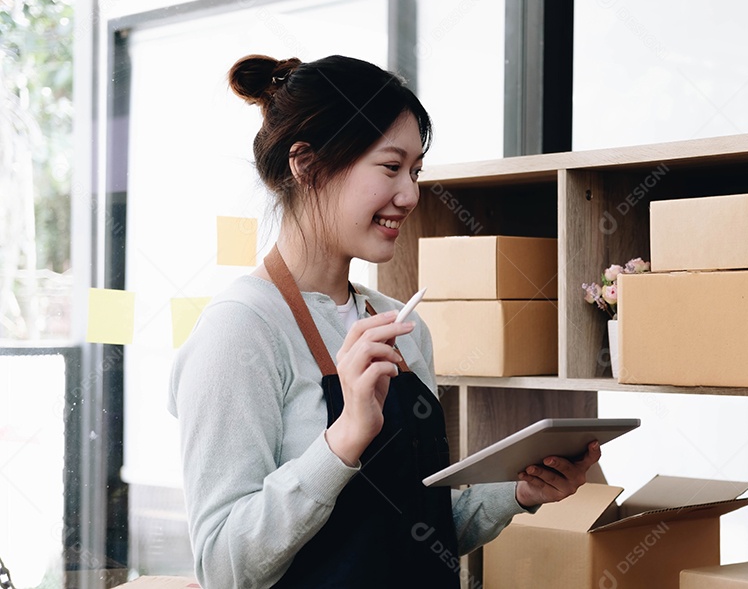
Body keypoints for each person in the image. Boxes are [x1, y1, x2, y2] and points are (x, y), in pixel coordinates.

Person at [168, 54, 601, 588]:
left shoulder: (401, 324)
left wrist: (516, 493)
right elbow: (223, 567)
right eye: (391, 167)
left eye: (415, 172)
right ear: (306, 164)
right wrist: (344, 438)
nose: (410, 195)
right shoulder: (240, 332)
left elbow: (418, 533)